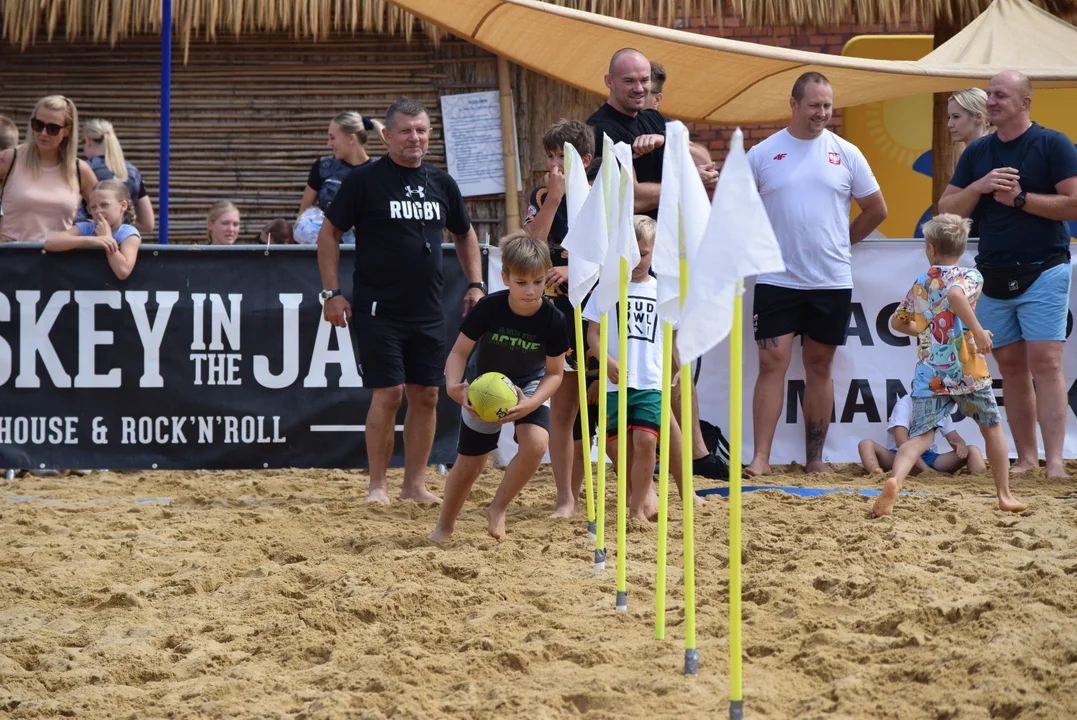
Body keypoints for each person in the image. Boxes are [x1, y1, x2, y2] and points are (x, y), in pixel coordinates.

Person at [318, 96, 484, 505]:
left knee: (427, 394)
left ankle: (415, 485)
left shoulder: (442, 183)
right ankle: (378, 485)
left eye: (422, 130)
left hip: (428, 309)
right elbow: (329, 234)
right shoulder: (364, 180)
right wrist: (331, 293)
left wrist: (476, 283)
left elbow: (464, 234)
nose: (415, 137)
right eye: (406, 131)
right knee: (389, 394)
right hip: (378, 308)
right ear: (387, 135)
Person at [745, 71, 888, 476]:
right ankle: (760, 459)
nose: (822, 113)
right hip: (776, 278)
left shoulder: (847, 152)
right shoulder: (762, 153)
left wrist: (843, 244)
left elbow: (877, 209)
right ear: (793, 104)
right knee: (772, 362)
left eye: (827, 106)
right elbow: (736, 211)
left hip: (830, 280)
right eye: (814, 105)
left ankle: (815, 459)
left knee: (820, 365)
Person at [939, 70, 1077, 479]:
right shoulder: (977, 153)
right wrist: (979, 186)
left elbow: (1073, 205)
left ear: (1025, 102)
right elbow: (946, 210)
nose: (992, 101)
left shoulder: (1052, 143)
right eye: (990, 95)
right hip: (992, 274)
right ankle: (1027, 458)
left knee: (1046, 363)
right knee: (1011, 367)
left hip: (1045, 268)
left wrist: (1020, 200)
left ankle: (1055, 462)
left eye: (1001, 95)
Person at [872, 214, 1027, 517]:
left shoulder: (922, 281)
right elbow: (956, 295)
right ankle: (1004, 495)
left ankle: (895, 481)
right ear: (962, 246)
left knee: (919, 437)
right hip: (967, 368)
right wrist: (978, 331)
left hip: (930, 371)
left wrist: (927, 330)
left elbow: (897, 322)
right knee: (991, 428)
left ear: (930, 248)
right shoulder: (971, 276)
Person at [429, 231, 567, 542]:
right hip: (485, 386)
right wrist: (453, 385)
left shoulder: (554, 319)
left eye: (537, 281)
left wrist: (531, 403)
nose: (531, 291)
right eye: (521, 282)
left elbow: (555, 374)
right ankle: (444, 526)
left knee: (535, 445)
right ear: (505, 277)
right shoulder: (489, 308)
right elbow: (459, 352)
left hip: (530, 383)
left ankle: (498, 508)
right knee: (470, 463)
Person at [584, 216, 704, 520]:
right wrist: (606, 363)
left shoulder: (664, 290)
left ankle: (643, 505)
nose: (637, 261)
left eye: (644, 253)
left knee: (648, 440)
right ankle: (640, 497)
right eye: (631, 253)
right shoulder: (606, 289)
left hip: (651, 381)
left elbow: (675, 337)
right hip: (616, 383)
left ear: (655, 253)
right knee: (619, 447)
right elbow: (592, 335)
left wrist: (681, 366)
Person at [524, 118, 595, 518]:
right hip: (559, 315)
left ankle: (638, 490)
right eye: (549, 156)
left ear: (584, 160)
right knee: (565, 409)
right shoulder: (543, 193)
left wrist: (577, 270)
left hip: (599, 315)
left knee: (596, 412)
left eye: (561, 158)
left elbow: (622, 256)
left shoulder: (602, 195)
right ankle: (565, 497)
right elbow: (531, 249)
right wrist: (552, 199)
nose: (553, 166)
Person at [587, 48, 718, 217]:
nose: (639, 88)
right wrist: (687, 182)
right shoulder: (601, 130)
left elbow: (705, 163)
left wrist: (665, 140)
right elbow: (629, 198)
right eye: (629, 81)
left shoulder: (653, 117)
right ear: (609, 82)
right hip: (635, 240)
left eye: (644, 80)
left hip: (669, 236)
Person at [0, 95, 97, 243]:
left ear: (67, 131)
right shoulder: (9, 160)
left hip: (59, 262)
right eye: (38, 125)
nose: (43, 133)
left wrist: (82, 237)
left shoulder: (79, 170)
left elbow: (105, 213)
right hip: (12, 259)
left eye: (53, 128)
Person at [294, 111, 383, 245]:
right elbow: (303, 213)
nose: (329, 144)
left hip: (365, 254)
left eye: (333, 138)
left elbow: (382, 221)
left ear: (351, 138)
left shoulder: (378, 173)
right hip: (325, 251)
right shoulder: (323, 167)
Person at [858, 393, 987, 476]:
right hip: (898, 456)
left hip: (929, 457)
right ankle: (876, 472)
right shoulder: (904, 404)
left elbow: (954, 437)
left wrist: (960, 445)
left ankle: (978, 481)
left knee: (973, 450)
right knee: (865, 444)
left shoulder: (938, 406)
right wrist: (925, 471)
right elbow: (901, 442)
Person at [45, 179, 141, 280]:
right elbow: (50, 242)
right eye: (93, 207)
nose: (97, 211)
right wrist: (91, 240)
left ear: (123, 205)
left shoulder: (128, 233)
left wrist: (107, 238)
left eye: (104, 205)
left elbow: (123, 271)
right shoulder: (87, 228)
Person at [80, 119, 154, 235]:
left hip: (91, 241)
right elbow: (148, 224)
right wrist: (119, 223)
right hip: (125, 240)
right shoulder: (133, 172)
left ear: (88, 141)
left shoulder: (84, 169)